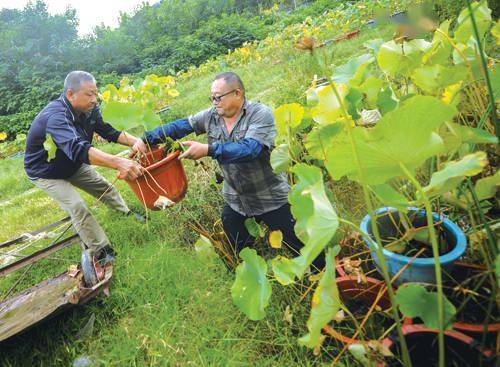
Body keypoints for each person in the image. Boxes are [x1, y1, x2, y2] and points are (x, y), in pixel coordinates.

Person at [132, 71, 323, 268]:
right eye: (212, 97)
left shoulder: (259, 114)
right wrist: (147, 138)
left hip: (269, 196)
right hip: (236, 197)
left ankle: (325, 276)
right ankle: (249, 269)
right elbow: (181, 126)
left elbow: (250, 149)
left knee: (303, 246)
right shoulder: (212, 115)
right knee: (237, 242)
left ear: (237, 93)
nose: (214, 101)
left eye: (218, 97)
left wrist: (209, 150)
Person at [24, 71, 145, 285]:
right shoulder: (56, 116)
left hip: (72, 164)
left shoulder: (90, 109)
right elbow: (78, 148)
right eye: (89, 94)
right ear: (71, 94)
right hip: (46, 172)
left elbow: (107, 131)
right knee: (77, 206)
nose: (94, 99)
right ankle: (103, 250)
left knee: (104, 187)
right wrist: (119, 162)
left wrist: (136, 141)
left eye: (95, 94)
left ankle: (125, 212)